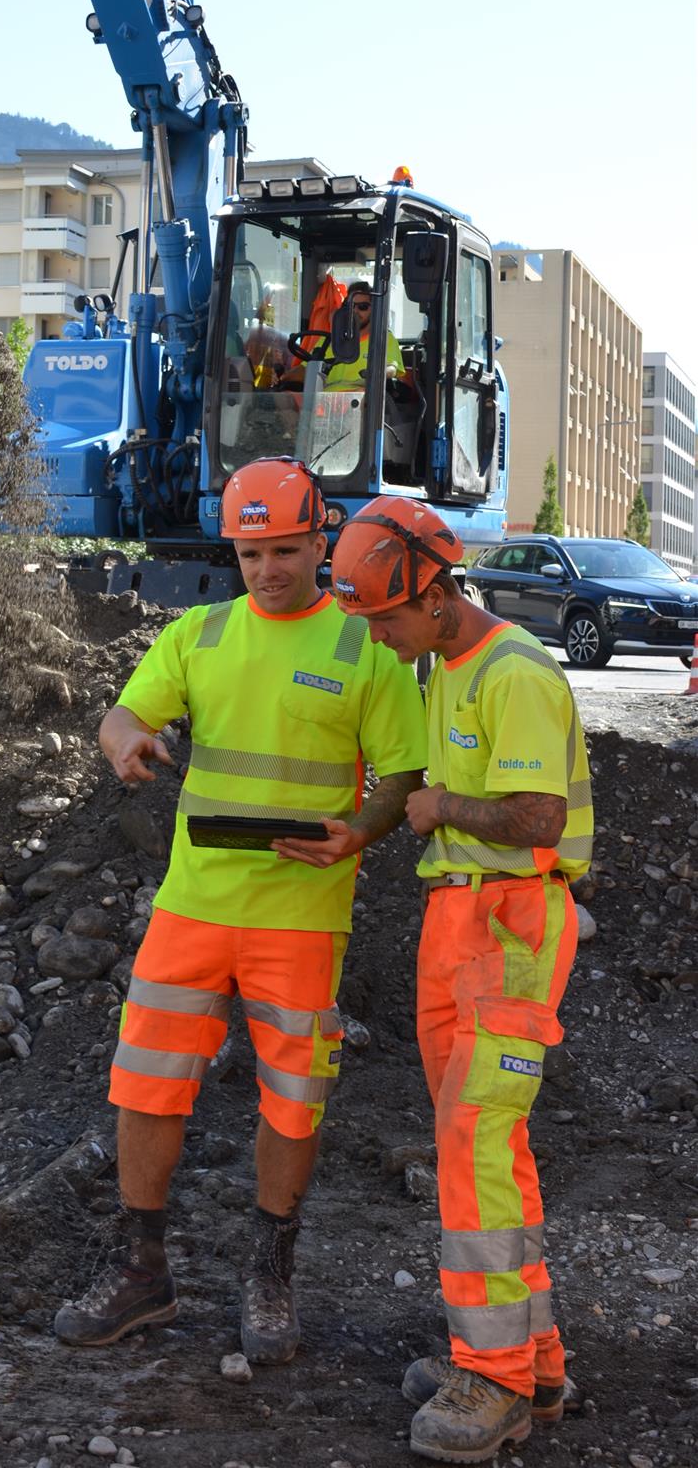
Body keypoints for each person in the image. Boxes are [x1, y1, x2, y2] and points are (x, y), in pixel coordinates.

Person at [54, 458, 426, 1362]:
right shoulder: (199, 634)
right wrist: (125, 742)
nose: (268, 569)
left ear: (320, 540)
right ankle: (142, 1272)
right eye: (252, 551)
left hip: (300, 913)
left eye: (287, 550)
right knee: (145, 1083)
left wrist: (357, 834)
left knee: (292, 1099)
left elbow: (405, 775)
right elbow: (121, 715)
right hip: (193, 905)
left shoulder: (363, 646)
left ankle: (270, 1274)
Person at [329, 499, 593, 1463]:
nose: (379, 637)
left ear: (437, 597)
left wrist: (438, 805)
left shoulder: (512, 670)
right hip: (462, 922)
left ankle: (495, 1381)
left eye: (388, 619)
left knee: (474, 1137)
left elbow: (534, 815)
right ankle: (533, 1356)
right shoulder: (445, 666)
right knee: (487, 1141)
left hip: (509, 924)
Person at [321, 281, 404, 391]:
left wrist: (373, 374)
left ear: (374, 310)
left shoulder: (384, 339)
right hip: (323, 401)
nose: (355, 311)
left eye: (363, 307)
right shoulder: (328, 339)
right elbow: (305, 369)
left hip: (361, 401)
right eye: (351, 306)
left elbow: (391, 368)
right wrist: (289, 374)